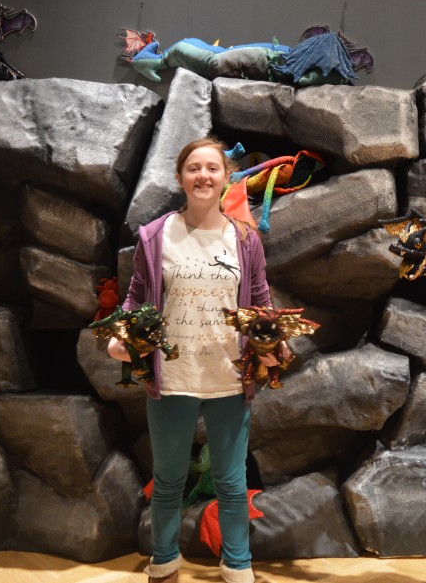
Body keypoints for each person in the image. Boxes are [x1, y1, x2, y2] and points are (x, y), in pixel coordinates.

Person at [108, 137, 285, 583]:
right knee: (168, 480)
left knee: (231, 483)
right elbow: (135, 297)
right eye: (193, 168)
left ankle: (238, 565)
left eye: (212, 168)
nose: (203, 176)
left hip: (229, 376)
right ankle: (163, 561)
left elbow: (260, 301)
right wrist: (122, 335)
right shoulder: (155, 235)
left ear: (227, 177)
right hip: (173, 376)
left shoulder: (245, 238)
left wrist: (273, 341)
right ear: (180, 177)